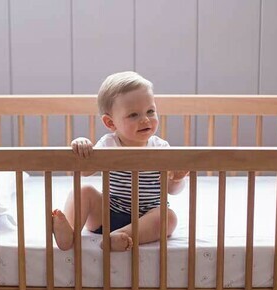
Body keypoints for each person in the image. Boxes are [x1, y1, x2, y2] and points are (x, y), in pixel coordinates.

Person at [52, 71, 188, 252]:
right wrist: (82, 147)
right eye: (133, 115)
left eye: (150, 111)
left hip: (147, 217)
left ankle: (121, 236)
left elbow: (172, 191)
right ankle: (68, 231)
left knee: (168, 217)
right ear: (110, 123)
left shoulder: (161, 147)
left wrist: (177, 179)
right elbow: (84, 172)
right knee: (83, 190)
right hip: (108, 214)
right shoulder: (109, 144)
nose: (145, 119)